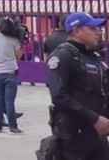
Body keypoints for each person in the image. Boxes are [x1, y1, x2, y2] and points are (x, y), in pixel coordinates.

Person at [46, 12, 109, 159]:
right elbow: (59, 96)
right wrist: (94, 119)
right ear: (77, 31)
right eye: (92, 28)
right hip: (74, 135)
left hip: (97, 133)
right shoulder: (63, 56)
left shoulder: (94, 57)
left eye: (98, 29)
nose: (98, 33)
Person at [0, 14, 23, 133]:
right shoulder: (13, 39)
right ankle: (13, 126)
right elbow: (18, 56)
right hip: (10, 72)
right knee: (9, 101)